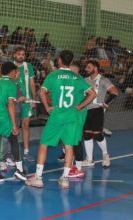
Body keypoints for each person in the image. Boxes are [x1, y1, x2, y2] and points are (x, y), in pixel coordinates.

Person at [26, 50, 96, 189]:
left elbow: (42, 91)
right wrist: (79, 106)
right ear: (71, 62)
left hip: (57, 114)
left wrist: (47, 107)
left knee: (44, 144)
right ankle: (65, 179)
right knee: (69, 146)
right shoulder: (77, 77)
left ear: (58, 60)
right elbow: (92, 94)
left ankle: (38, 178)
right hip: (71, 115)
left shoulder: (53, 75)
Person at [0, 61, 27, 184]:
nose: (17, 74)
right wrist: (14, 124)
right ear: (12, 72)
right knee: (13, 137)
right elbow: (11, 105)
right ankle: (19, 170)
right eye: (16, 72)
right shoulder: (11, 83)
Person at [82, 60, 119, 168]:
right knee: (87, 134)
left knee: (97, 135)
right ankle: (89, 159)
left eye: (89, 67)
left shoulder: (103, 80)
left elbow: (115, 92)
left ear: (95, 68)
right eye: (86, 67)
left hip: (97, 109)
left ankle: (105, 155)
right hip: (86, 110)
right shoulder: (84, 80)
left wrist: (106, 103)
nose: (86, 69)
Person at [14, 47, 37, 161]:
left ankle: (26, 152)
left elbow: (32, 84)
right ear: (15, 55)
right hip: (13, 101)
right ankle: (10, 153)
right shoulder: (10, 66)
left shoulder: (29, 67)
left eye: (23, 54)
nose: (21, 56)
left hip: (27, 101)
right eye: (19, 54)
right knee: (13, 127)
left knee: (25, 126)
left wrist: (34, 99)